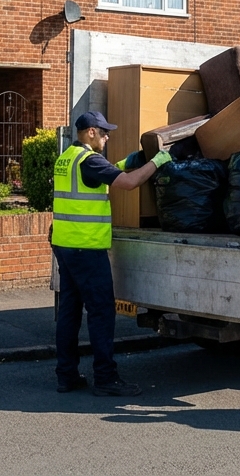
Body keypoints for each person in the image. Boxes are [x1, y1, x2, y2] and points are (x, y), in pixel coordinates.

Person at [52, 110, 171, 397]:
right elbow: (128, 184)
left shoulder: (67, 157)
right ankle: (105, 378)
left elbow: (96, 179)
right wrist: (157, 162)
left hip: (65, 246)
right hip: (87, 249)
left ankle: (66, 375)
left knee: (69, 312)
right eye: (104, 132)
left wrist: (123, 163)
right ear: (90, 132)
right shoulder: (90, 160)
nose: (107, 136)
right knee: (102, 312)